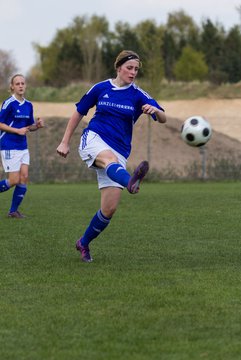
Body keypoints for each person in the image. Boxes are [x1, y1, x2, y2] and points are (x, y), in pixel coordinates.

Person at [57, 50, 166, 262]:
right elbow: (79, 112)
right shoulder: (101, 88)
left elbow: (163, 118)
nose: (133, 72)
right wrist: (64, 141)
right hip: (94, 138)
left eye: (136, 69)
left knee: (109, 209)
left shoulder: (138, 94)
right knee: (110, 161)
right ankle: (130, 182)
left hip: (120, 149)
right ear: (118, 68)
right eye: (129, 68)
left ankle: (83, 243)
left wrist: (154, 109)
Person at [0, 74, 44, 218]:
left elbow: (29, 127)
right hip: (9, 145)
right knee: (14, 180)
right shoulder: (9, 103)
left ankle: (13, 211)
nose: (20, 86)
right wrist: (17, 131)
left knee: (24, 177)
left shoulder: (28, 105)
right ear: (12, 86)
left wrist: (37, 126)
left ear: (25, 86)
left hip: (23, 146)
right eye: (17, 83)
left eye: (22, 83)